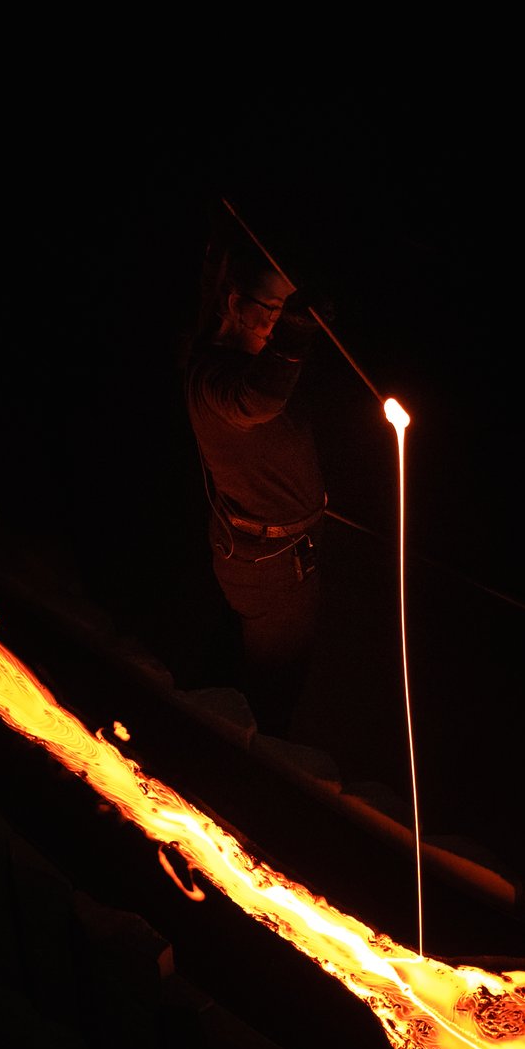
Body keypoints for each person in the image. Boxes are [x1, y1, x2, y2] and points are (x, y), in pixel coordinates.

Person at [179, 233, 328, 740]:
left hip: (271, 551)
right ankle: (252, 775)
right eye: (271, 308)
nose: (275, 320)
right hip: (267, 565)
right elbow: (258, 401)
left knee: (246, 670)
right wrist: (299, 329)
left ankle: (221, 729)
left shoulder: (240, 356)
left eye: (284, 309)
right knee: (274, 692)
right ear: (234, 303)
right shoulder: (212, 379)